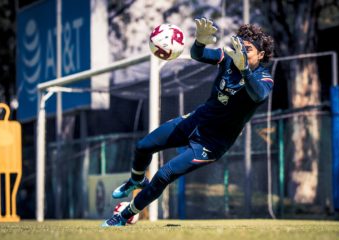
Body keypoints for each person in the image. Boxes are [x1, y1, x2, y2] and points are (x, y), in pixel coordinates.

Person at [102, 18, 275, 227]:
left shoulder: (264, 78)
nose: (242, 53)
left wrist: (245, 70)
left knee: (163, 174)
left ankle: (125, 214)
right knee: (143, 146)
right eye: (240, 46)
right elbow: (198, 54)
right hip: (196, 120)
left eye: (248, 50)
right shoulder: (229, 58)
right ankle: (136, 181)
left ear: (261, 55)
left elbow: (258, 96)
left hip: (212, 143)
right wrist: (200, 42)